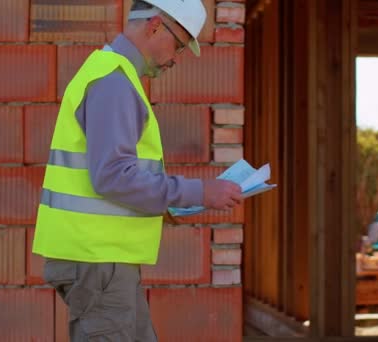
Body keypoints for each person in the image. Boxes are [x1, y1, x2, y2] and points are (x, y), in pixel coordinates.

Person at [32, 0, 242, 340]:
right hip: (97, 261)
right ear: (155, 25)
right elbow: (113, 176)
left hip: (102, 260)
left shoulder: (113, 75)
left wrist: (170, 202)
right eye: (178, 45)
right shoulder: (113, 81)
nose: (175, 58)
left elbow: (110, 177)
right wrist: (200, 191)